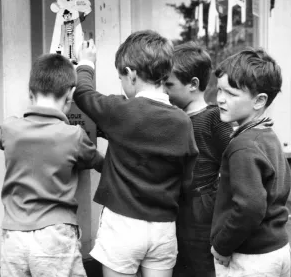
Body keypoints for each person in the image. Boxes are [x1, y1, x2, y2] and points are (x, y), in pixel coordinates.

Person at [73, 31, 199, 277]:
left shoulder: (120, 110)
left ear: (131, 75)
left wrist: (86, 62)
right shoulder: (183, 121)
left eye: (121, 77)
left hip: (123, 225)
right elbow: (187, 181)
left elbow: (83, 93)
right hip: (163, 228)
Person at [0, 53, 104, 277]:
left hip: (14, 236)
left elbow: (2, 141)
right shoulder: (74, 135)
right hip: (55, 235)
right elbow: (97, 162)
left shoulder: (9, 128)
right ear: (70, 96)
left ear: (30, 93)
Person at [210, 48, 291, 277]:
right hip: (277, 250)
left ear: (259, 100)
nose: (220, 99)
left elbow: (250, 207)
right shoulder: (267, 134)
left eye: (231, 94)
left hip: (250, 259)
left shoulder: (243, 145)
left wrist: (222, 246)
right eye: (219, 90)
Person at [164, 42, 233, 277]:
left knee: (200, 264)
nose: (164, 90)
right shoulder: (174, 117)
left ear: (193, 84)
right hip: (177, 202)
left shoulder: (213, 117)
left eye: (169, 84)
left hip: (200, 204)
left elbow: (236, 153)